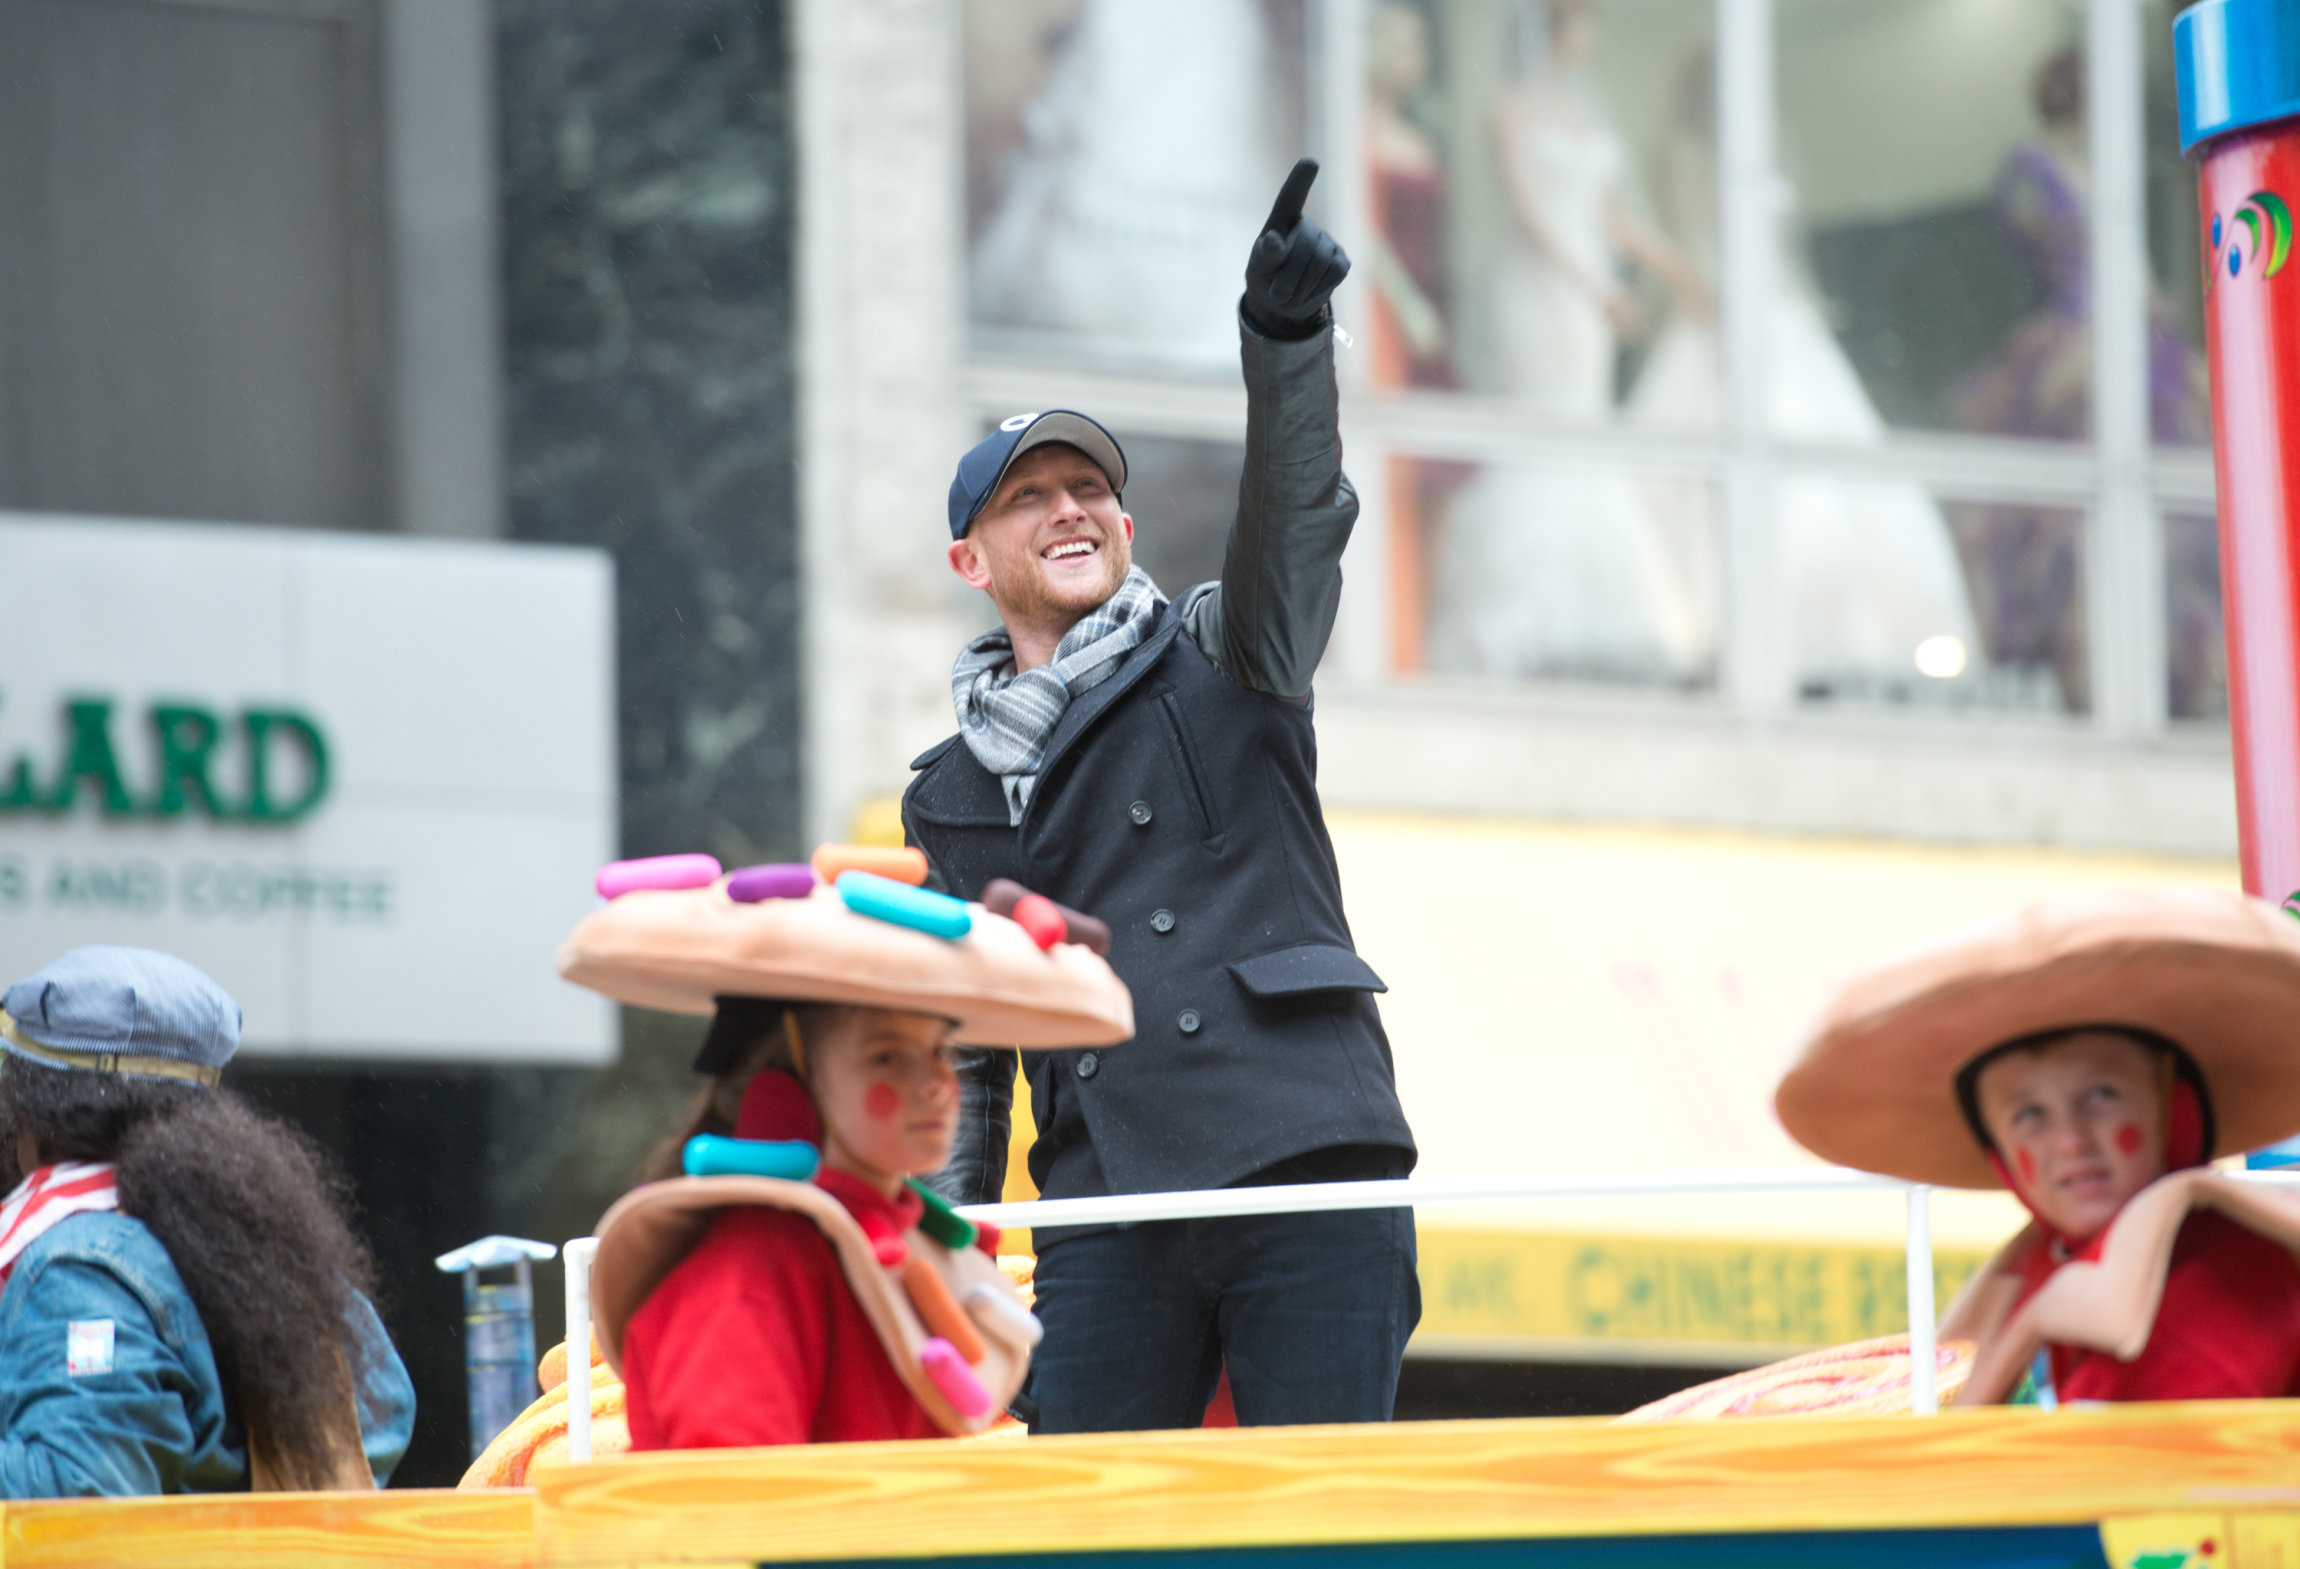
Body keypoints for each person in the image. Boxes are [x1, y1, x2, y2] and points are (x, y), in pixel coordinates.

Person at [905, 168, 1421, 1435]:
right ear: (971, 562)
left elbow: (1292, 523)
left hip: (1300, 1153)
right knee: (1079, 1526)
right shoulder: (952, 794)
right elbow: (969, 1048)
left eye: (1088, 490)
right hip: (1103, 1200)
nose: (1067, 507)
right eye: (1028, 497)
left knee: (1322, 1529)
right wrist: (938, 1253)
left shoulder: (1228, 651)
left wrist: (1284, 344)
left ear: (1127, 525)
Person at [561, 864, 1132, 1448]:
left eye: (937, 1048)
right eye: (886, 1057)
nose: (935, 1081)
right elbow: (732, 1514)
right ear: (783, 1091)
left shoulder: (886, 1250)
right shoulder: (747, 1273)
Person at [1774, 887, 2300, 1405]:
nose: (2070, 1141)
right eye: (2030, 1115)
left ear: (2175, 1111)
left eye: (2100, 1095)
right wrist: (2031, 1323)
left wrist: (2028, 1325)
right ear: (2000, 1157)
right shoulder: (2054, 1262)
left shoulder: (2217, 1276)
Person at [0, 947, 412, 1496]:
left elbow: (80, 1488)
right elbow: (384, 1415)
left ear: (28, 1115)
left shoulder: (78, 1266)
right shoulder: (266, 1258)